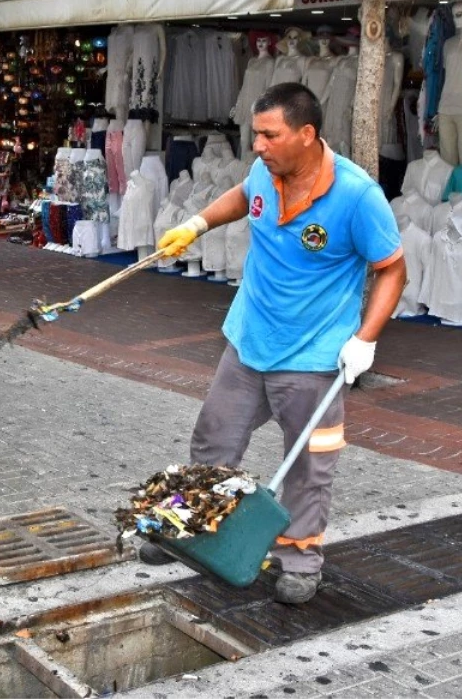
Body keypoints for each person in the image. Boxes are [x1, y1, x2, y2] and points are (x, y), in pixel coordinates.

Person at [152, 83, 406, 604]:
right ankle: (196, 524)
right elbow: (244, 197)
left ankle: (299, 559)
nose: (258, 145)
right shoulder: (264, 172)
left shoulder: (357, 196)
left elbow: (392, 270)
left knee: (309, 465)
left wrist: (366, 339)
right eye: (256, 133)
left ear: (307, 135)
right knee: (213, 441)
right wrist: (196, 224)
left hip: (314, 359)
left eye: (270, 135)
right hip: (248, 342)